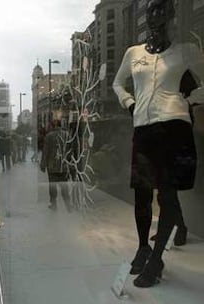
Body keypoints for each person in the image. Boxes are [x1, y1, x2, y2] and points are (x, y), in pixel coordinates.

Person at [113, 0, 204, 288]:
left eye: (162, 10)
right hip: (143, 129)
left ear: (171, 16)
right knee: (141, 193)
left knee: (166, 195)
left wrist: (187, 101)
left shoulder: (186, 51)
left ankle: (156, 261)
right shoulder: (134, 53)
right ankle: (143, 247)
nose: (156, 15)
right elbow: (118, 83)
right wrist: (130, 103)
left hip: (174, 129)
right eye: (151, 10)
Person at [40, 120, 72, 211]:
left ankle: (54, 204)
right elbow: (70, 150)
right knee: (64, 186)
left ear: (53, 126)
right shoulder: (67, 135)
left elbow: (45, 151)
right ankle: (68, 205)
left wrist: (43, 164)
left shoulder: (49, 136)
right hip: (64, 165)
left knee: (53, 186)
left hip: (52, 166)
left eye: (49, 125)